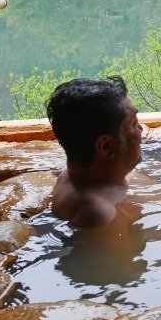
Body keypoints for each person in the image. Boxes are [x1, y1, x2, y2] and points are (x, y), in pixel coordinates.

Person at [46, 76, 145, 230]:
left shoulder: (72, 175)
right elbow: (119, 254)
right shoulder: (98, 213)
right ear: (105, 146)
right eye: (133, 124)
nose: (141, 129)